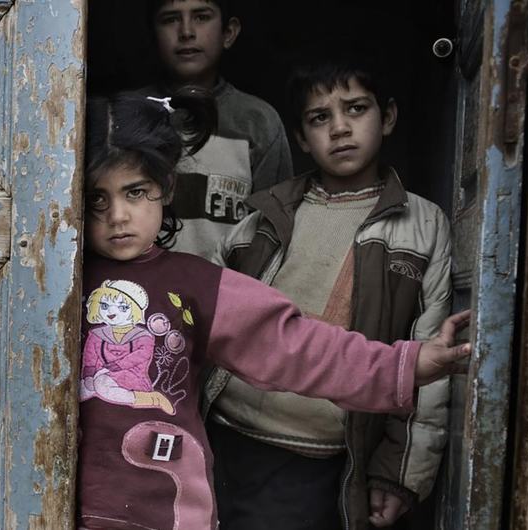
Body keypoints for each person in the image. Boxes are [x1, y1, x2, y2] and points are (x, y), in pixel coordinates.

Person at [75, 87, 468, 530]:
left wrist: (408, 363)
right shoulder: (54, 282)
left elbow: (297, 347)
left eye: (135, 192)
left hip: (165, 510)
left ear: (166, 187)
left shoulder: (197, 285)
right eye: (96, 199)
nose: (118, 216)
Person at [203, 54, 453, 529]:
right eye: (320, 118)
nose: (340, 128)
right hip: (221, 434)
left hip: (316, 454)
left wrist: (398, 473)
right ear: (301, 137)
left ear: (389, 117)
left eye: (356, 109)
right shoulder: (266, 217)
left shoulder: (421, 227)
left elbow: (430, 368)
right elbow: (208, 311)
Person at [140, 0, 292, 258]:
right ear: (153, 34)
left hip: (227, 292)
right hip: (137, 293)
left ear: (229, 33)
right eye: (170, 19)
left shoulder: (258, 122)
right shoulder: (129, 114)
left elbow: (273, 231)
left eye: (201, 17)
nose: (186, 31)